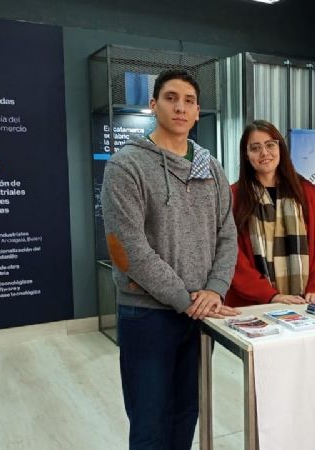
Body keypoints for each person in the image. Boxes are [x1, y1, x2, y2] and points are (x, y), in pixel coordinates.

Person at [101, 69, 238, 450]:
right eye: (171, 98)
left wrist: (215, 289)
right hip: (147, 314)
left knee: (185, 414)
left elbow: (227, 234)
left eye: (189, 101)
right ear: (153, 105)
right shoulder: (126, 166)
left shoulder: (210, 167)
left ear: (197, 112)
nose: (180, 107)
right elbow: (129, 249)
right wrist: (186, 299)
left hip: (199, 315)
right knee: (149, 422)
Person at [226, 120, 315, 307]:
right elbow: (230, 255)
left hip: (304, 302)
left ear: (280, 148)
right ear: (246, 155)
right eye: (255, 148)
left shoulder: (306, 193)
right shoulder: (233, 197)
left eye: (270, 145)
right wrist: (269, 295)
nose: (264, 153)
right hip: (253, 306)